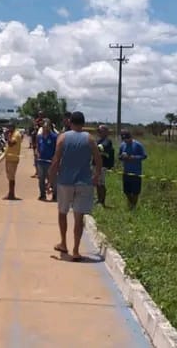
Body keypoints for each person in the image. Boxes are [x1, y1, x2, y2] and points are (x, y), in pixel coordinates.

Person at [47, 111, 102, 262]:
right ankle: (76, 250)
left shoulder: (63, 137)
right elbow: (98, 159)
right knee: (79, 217)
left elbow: (56, 160)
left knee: (62, 212)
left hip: (65, 181)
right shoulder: (90, 139)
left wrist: (50, 180)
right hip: (84, 182)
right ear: (83, 123)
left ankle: (63, 243)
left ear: (70, 122)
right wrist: (96, 176)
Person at [118, 129, 147, 211]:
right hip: (126, 172)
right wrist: (122, 157)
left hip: (136, 173)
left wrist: (133, 157)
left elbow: (144, 156)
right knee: (126, 191)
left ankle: (133, 207)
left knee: (135, 192)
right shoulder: (122, 145)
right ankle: (131, 204)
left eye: (127, 139)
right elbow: (119, 156)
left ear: (130, 137)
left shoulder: (138, 145)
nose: (125, 141)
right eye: (124, 139)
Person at [36, 119, 57, 201]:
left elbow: (57, 148)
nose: (45, 128)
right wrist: (37, 152)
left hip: (50, 162)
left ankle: (55, 195)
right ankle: (42, 195)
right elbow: (37, 146)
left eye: (47, 127)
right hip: (41, 161)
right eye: (44, 127)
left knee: (52, 179)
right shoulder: (39, 137)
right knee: (41, 179)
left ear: (49, 127)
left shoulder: (54, 137)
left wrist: (54, 158)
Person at [95, 125, 115, 207]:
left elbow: (101, 148)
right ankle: (99, 199)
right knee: (97, 183)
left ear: (106, 132)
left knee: (101, 183)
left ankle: (102, 201)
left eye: (100, 131)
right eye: (98, 131)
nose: (99, 132)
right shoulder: (99, 140)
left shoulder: (107, 141)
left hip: (102, 165)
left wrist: (94, 147)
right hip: (95, 164)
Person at [3, 122, 23, 200]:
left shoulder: (16, 134)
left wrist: (8, 136)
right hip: (9, 158)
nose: (8, 129)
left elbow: (11, 143)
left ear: (13, 127)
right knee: (9, 177)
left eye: (9, 127)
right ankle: (10, 193)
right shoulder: (12, 134)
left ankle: (12, 194)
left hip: (13, 159)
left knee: (11, 177)